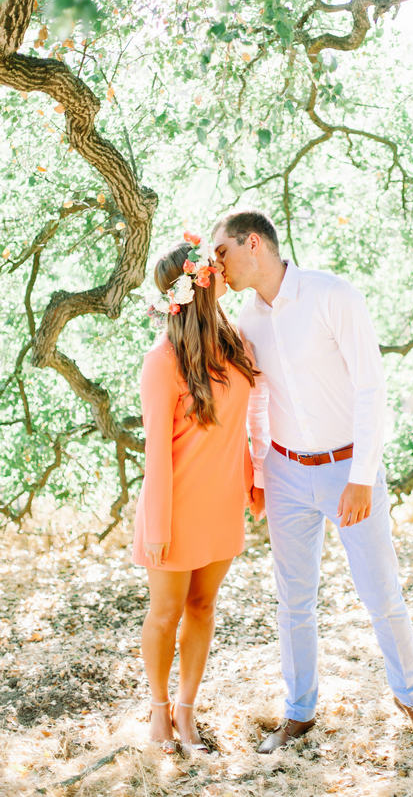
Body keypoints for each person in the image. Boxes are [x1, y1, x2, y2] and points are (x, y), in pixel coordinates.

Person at [212, 211, 413, 754]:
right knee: (294, 602)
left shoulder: (334, 295)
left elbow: (371, 387)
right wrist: (261, 474)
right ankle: (300, 713)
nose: (218, 264)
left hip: (348, 467)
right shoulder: (245, 318)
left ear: (253, 244)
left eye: (221, 253)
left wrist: (360, 477)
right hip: (285, 473)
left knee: (381, 592)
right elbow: (251, 400)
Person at [132, 233, 263, 754]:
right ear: (198, 286)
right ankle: (159, 711)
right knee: (165, 614)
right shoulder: (161, 362)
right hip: (175, 510)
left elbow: (242, 427)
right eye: (212, 268)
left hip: (221, 505)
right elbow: (156, 454)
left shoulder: (237, 346)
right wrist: (158, 527)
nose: (221, 271)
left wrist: (252, 481)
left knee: (203, 607)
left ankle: (187, 709)